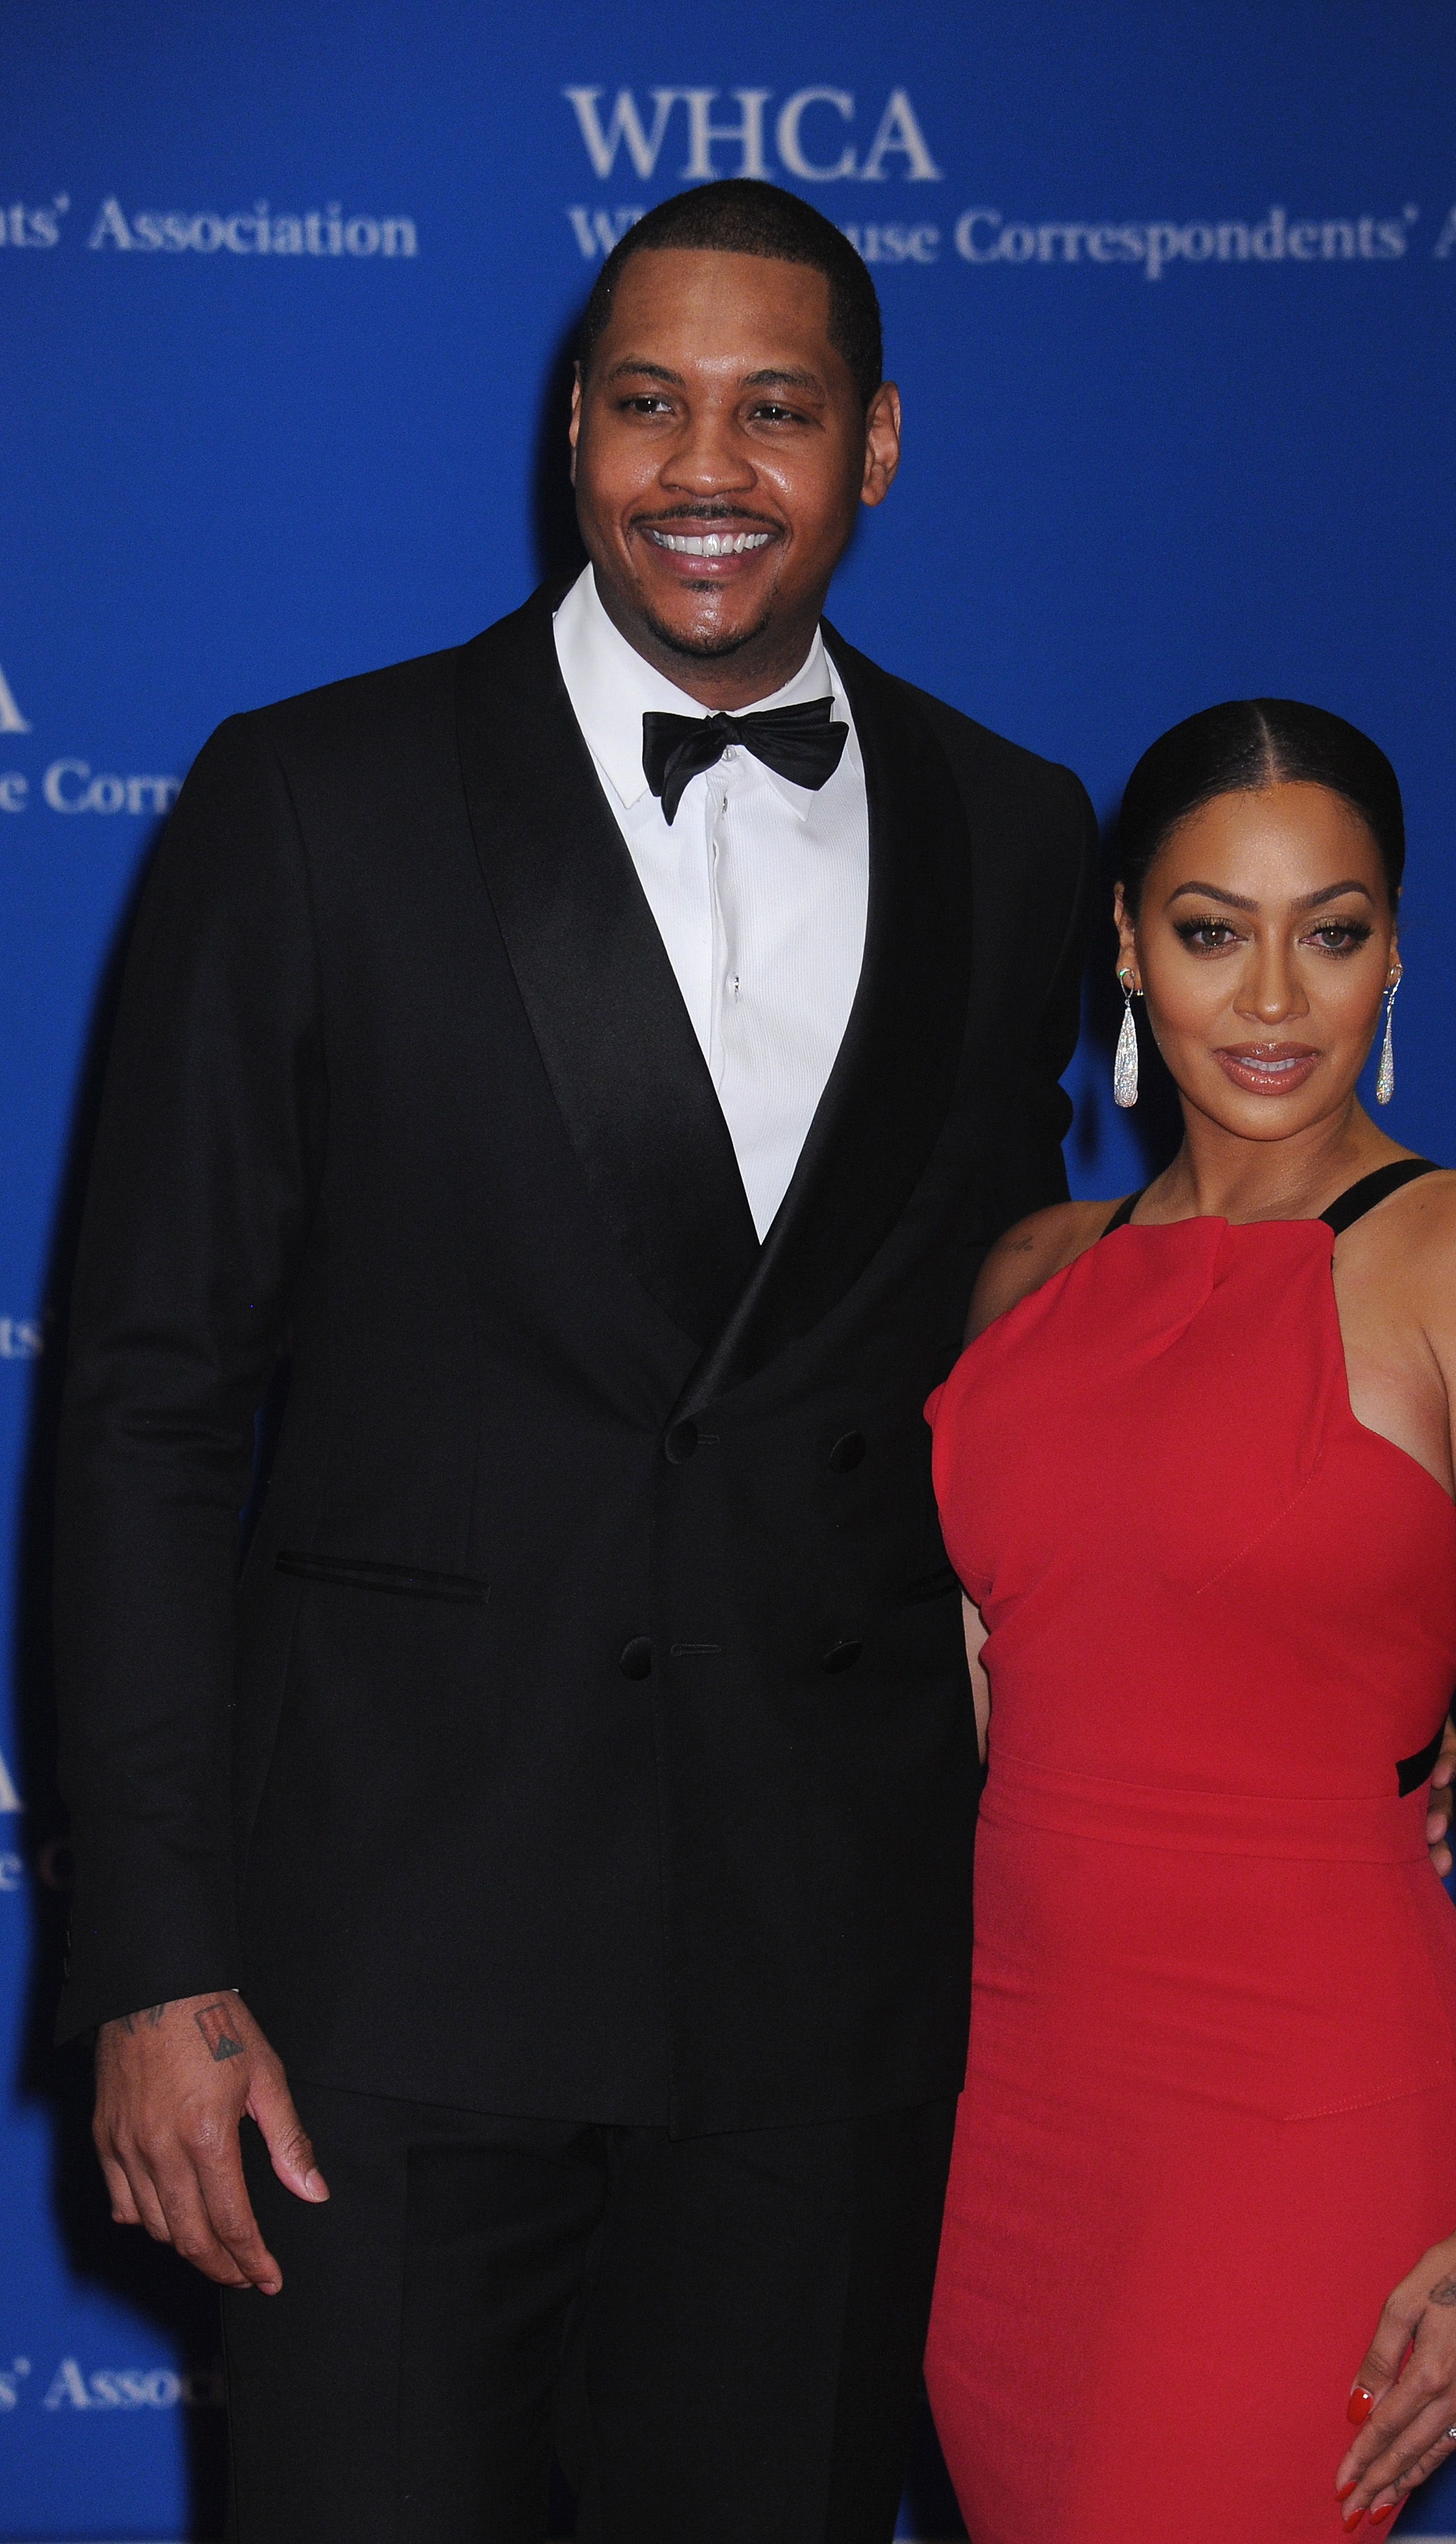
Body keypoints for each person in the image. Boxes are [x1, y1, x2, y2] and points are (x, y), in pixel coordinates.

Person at [52, 180, 1100, 2542]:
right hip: (381, 1990)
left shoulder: (1015, 834)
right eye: (646, 403)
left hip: (824, 1995)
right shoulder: (309, 802)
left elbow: (1027, 1367)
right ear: (570, 429)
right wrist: (156, 1960)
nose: (700, 467)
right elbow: (138, 1406)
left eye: (772, 409)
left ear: (879, 446)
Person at [921, 700, 1456, 2541]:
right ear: (1126, 945)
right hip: (1012, 2106)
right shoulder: (1026, 1273)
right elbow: (1011, 1678)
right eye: (1208, 928)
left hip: (1301, 2101)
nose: (1268, 996)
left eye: (1328, 930)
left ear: (1392, 950)